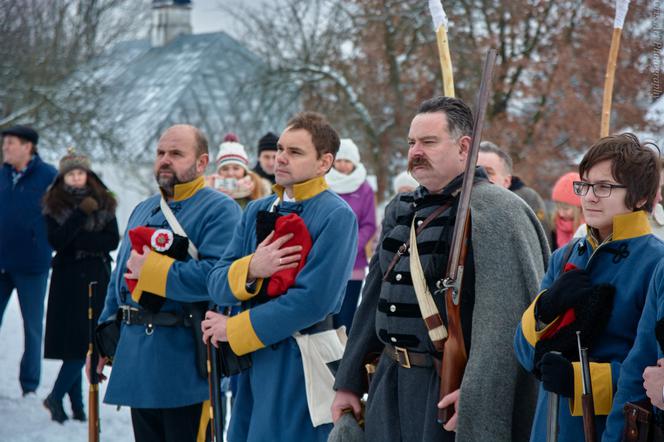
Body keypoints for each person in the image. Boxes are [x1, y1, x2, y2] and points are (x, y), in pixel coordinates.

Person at [331, 96, 550, 442]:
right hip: (388, 382)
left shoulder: (499, 212)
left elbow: (505, 323)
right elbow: (375, 297)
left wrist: (481, 398)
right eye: (412, 143)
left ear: (465, 147)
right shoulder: (404, 208)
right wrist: (348, 381)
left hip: (447, 391)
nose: (416, 151)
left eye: (429, 142)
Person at [203, 111, 358, 442]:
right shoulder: (256, 211)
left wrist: (233, 328)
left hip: (299, 360)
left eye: (296, 152)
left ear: (324, 162)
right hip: (250, 361)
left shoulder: (337, 215)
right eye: (282, 149)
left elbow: (313, 301)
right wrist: (252, 268)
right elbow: (216, 281)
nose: (281, 158)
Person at [88, 124, 242, 442]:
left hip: (185, 361)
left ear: (201, 162)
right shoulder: (143, 209)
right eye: (160, 153)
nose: (165, 160)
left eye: (176, 153)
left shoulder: (220, 209)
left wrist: (155, 272)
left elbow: (218, 278)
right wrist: (103, 337)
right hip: (137, 358)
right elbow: (119, 280)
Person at [513, 133, 664, 442]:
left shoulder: (655, 263)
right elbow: (524, 352)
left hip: (608, 428)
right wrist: (544, 310)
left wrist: (581, 380)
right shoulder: (564, 256)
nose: (589, 196)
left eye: (604, 187)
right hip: (546, 425)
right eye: (585, 185)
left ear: (638, 198)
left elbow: (649, 376)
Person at [42, 150, 119, 423]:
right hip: (68, 280)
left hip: (97, 277)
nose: (76, 178)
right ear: (63, 178)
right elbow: (57, 241)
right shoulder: (54, 205)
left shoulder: (104, 201)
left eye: (80, 172)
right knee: (76, 344)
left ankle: (75, 405)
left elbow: (111, 240)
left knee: (88, 339)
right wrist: (78, 216)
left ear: (88, 174)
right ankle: (57, 397)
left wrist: (79, 241)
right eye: (71, 174)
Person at [0, 125, 57, 396]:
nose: (5, 147)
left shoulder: (48, 177)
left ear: (28, 147)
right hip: (2, 263)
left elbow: (62, 215)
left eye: (10, 143)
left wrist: (46, 244)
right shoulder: (3, 175)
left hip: (33, 265)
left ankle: (30, 385)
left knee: (32, 327)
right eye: (5, 143)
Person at [326, 138, 376, 332]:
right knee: (327, 315)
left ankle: (345, 353)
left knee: (346, 315)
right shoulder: (325, 183)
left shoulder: (364, 189)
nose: (343, 165)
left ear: (354, 163)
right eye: (339, 161)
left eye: (347, 161)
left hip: (353, 261)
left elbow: (369, 224)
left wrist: (351, 245)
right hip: (328, 259)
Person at [477, 141, 549, 227]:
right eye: (474, 170)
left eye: (488, 172)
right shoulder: (460, 201)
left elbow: (542, 236)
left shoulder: (528, 198)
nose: (478, 175)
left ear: (506, 181)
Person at [207, 133, 270, 208]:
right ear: (219, 172)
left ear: (244, 170)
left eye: (236, 168)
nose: (230, 173)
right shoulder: (209, 193)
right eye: (225, 169)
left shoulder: (259, 190)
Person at [550, 171, 583, 250]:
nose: (561, 213)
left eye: (566, 209)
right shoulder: (554, 226)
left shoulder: (588, 229)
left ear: (578, 207)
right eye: (558, 208)